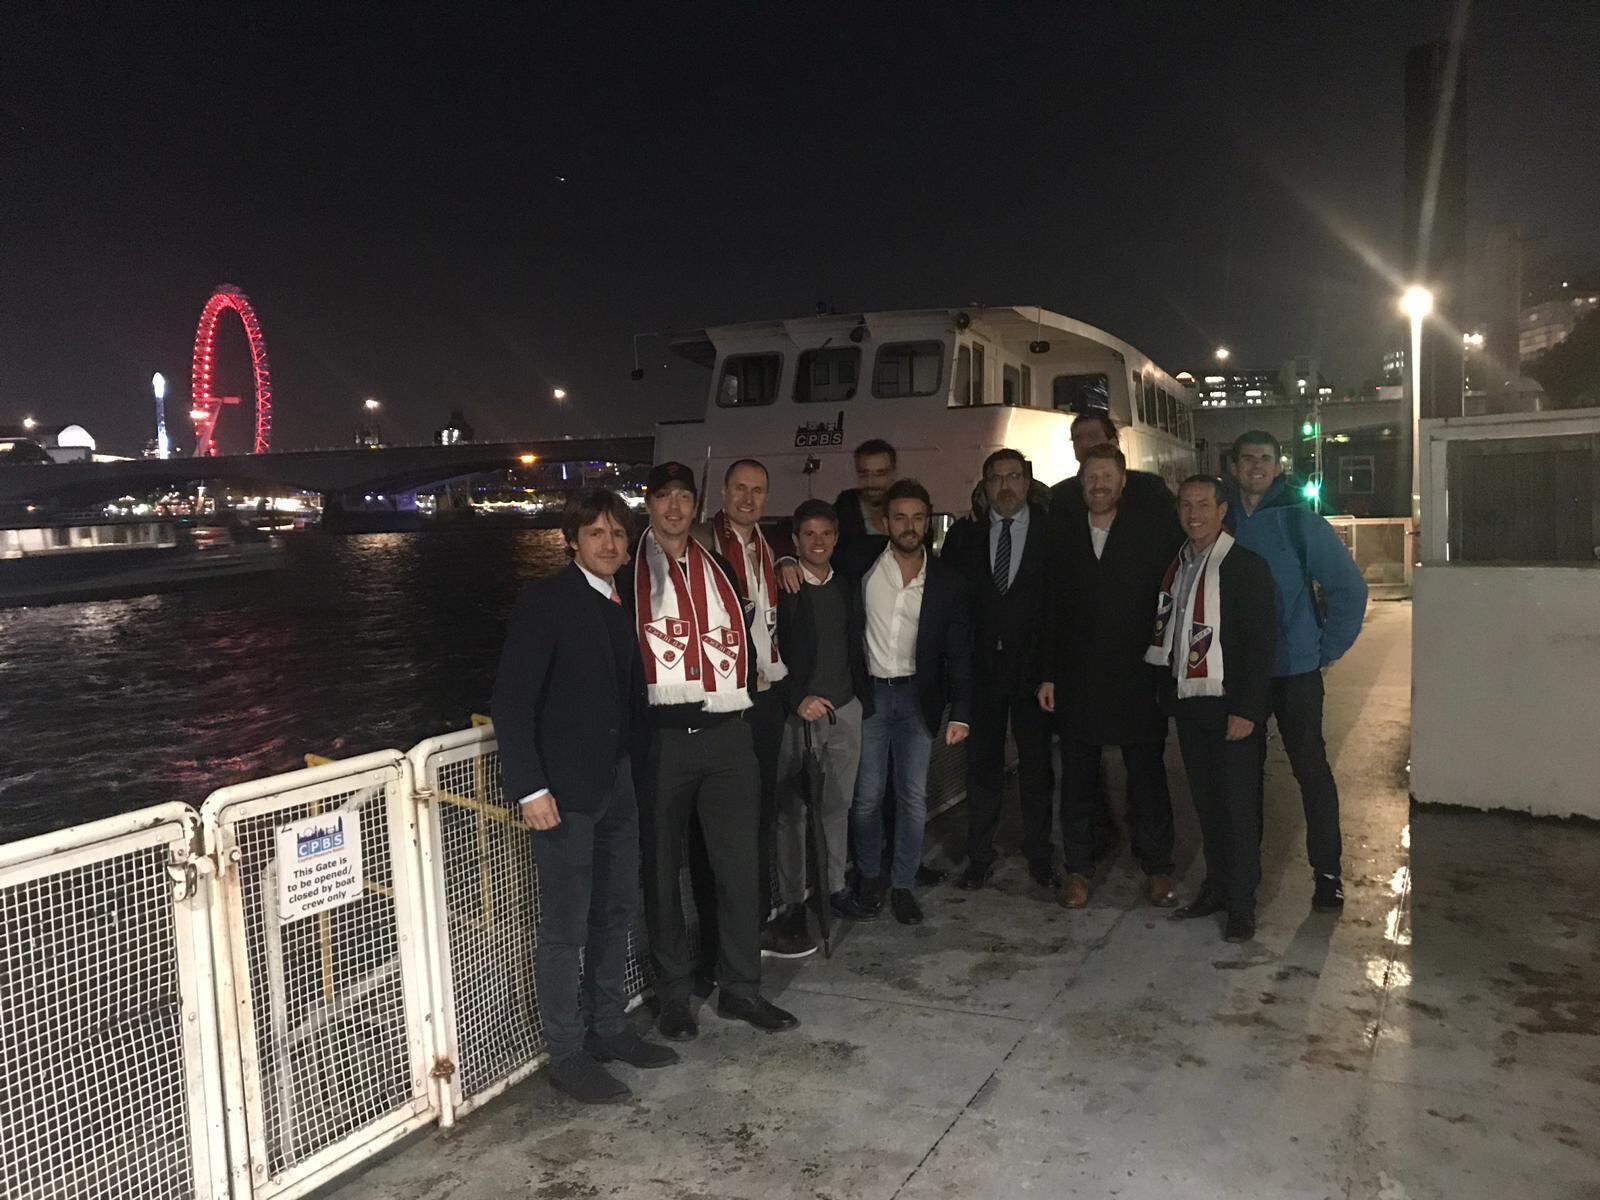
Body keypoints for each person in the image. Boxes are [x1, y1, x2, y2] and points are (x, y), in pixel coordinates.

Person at [492, 488, 680, 1104]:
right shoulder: (546, 600)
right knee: (565, 928)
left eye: (619, 534)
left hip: (618, 784)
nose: (609, 543)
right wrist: (530, 787)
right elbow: (512, 702)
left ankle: (609, 1028)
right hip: (565, 793)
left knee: (615, 911)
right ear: (572, 540)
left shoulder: (621, 604)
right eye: (595, 533)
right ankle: (567, 1053)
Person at [621, 462, 799, 1040]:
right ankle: (674, 994)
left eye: (683, 497)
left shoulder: (719, 566)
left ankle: (741, 988)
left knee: (739, 867)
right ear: (649, 505)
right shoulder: (626, 574)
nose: (674, 507)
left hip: (727, 735)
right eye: (663, 497)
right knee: (661, 872)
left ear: (696, 505)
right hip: (663, 743)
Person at [1225, 431, 1369, 914]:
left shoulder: (1298, 521)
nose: (1255, 467)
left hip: (1295, 672)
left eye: (1265, 459)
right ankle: (1240, 878)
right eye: (1247, 459)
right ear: (1233, 466)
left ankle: (1327, 874)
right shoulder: (1219, 518)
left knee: (1311, 771)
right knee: (1241, 779)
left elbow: (1349, 589)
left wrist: (1324, 649)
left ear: (1277, 466)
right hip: (1239, 674)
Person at [1039, 443, 1186, 909]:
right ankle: (1078, 870)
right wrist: (1047, 675)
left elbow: (1169, 603)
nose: (1098, 485)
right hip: (1077, 678)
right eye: (1091, 477)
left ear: (1123, 481)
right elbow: (1051, 610)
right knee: (1077, 780)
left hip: (1138, 676)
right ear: (1080, 482)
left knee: (1147, 778)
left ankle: (1158, 867)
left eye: (1107, 476)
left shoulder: (1151, 531)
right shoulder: (1062, 533)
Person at [1148, 476, 1277, 943]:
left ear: (1222, 511)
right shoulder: (1179, 565)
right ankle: (1217, 887)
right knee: (1207, 804)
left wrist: (1249, 709)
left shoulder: (1245, 566)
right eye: (1185, 504)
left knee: (1239, 808)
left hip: (1231, 707)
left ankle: (1242, 904)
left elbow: (1261, 645)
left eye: (1203, 504)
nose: (1193, 513)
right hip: (1191, 705)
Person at [850, 478, 973, 925]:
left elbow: (959, 651)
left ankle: (902, 884)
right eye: (900, 517)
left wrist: (962, 712)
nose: (909, 526)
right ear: (885, 522)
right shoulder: (861, 567)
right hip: (871, 697)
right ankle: (869, 876)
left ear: (928, 521)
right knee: (866, 798)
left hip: (918, 700)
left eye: (918, 517)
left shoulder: (947, 582)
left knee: (913, 797)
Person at [939, 449, 1057, 892]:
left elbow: (1059, 609)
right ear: (985, 486)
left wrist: (1051, 672)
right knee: (981, 768)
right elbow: (951, 606)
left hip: (1033, 674)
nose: (1005, 486)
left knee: (1037, 768)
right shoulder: (964, 538)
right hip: (982, 673)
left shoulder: (1052, 533)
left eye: (1013, 476)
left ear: (1027, 482)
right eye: (996, 478)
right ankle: (979, 856)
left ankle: (1040, 855)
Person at [691, 459, 791, 952]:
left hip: (766, 695)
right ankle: (718, 938)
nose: (748, 499)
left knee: (761, 813)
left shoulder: (770, 547)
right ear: (723, 493)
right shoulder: (704, 543)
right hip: (725, 702)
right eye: (740, 489)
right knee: (717, 823)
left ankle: (756, 921)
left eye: (758, 490)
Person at [770, 499, 876, 949]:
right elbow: (769, 650)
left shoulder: (846, 584)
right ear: (795, 540)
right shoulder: (783, 588)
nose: (818, 542)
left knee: (837, 805)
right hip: (801, 714)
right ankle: (794, 902)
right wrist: (796, 699)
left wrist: (860, 701)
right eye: (808, 534)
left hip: (846, 708)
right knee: (792, 813)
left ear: (836, 538)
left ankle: (832, 889)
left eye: (826, 534)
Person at [1049, 413, 1175, 517]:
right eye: (1077, 438)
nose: (1084, 443)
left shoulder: (1148, 489)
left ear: (1113, 443)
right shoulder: (1060, 496)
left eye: (1093, 436)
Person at [832, 438, 898, 576]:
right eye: (864, 474)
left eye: (880, 474)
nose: (871, 482)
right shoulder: (843, 511)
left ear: (893, 473)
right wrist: (787, 560)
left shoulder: (907, 507)